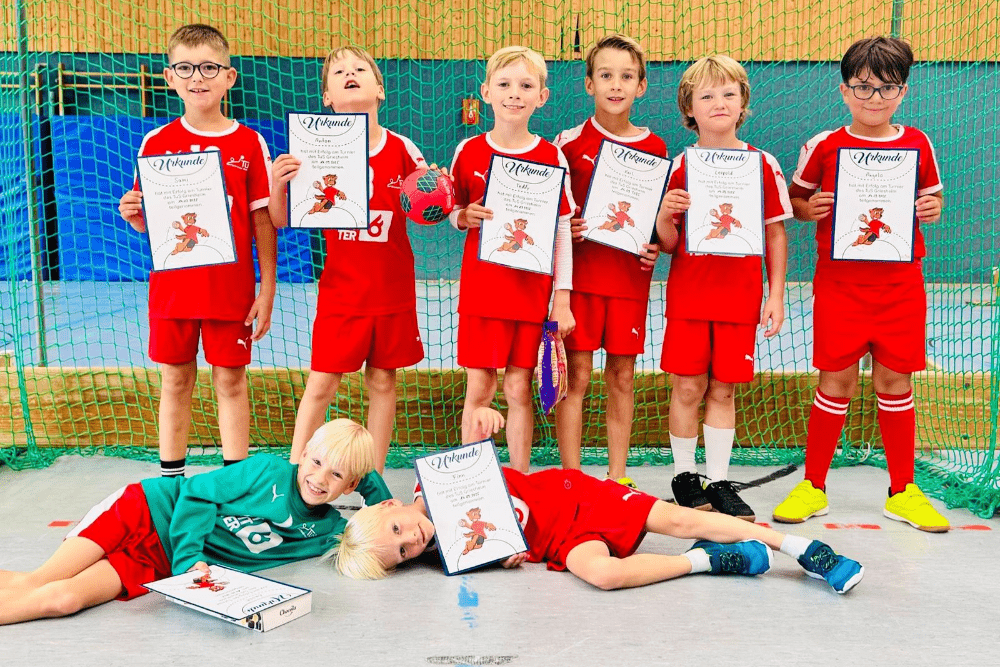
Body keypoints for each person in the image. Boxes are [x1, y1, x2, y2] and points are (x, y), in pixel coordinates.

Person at [332, 408, 863, 595]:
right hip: (564, 541)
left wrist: (485, 425)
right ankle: (712, 561)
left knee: (678, 519)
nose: (411, 541)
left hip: (574, 497)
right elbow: (508, 550)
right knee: (603, 576)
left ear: (385, 507)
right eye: (402, 555)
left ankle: (800, 546)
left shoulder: (436, 480)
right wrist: (506, 559)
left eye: (398, 531)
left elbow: (479, 447)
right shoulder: (446, 556)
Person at [772, 37, 948, 532]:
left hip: (900, 285)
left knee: (896, 382)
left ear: (903, 91)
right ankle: (813, 484)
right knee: (836, 381)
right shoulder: (823, 145)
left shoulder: (918, 143)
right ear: (844, 91)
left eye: (886, 88)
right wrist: (811, 209)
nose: (875, 98)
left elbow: (931, 202)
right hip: (840, 285)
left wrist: (931, 210)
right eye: (863, 87)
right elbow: (795, 201)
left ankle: (903, 490)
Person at [0, 419, 391, 625]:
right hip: (149, 511)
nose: (320, 479)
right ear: (303, 453)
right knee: (39, 581)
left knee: (62, 599)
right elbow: (196, 493)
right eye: (316, 462)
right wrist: (189, 559)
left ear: (352, 484)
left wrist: (381, 497)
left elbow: (384, 525)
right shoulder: (266, 470)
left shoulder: (328, 531)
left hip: (159, 561)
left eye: (337, 476)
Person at [117, 24, 277, 477]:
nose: (197, 77)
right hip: (174, 290)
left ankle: (234, 483)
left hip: (231, 289)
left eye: (209, 67)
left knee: (230, 379)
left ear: (229, 76)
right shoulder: (156, 143)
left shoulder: (249, 142)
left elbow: (263, 221)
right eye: (185, 67)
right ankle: (171, 481)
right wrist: (135, 216)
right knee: (175, 380)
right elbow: (155, 226)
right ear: (170, 77)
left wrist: (267, 290)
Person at [269, 46, 428, 472]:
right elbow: (282, 220)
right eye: (339, 72)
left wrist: (437, 192)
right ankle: (293, 472)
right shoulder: (313, 152)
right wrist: (276, 183)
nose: (350, 73)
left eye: (361, 68)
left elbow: (430, 213)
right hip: (342, 291)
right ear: (327, 97)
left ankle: (372, 477)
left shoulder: (402, 147)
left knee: (382, 381)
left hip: (392, 289)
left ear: (380, 89)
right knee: (321, 383)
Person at [654, 55, 790, 520]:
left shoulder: (762, 164)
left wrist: (775, 294)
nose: (719, 102)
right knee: (687, 388)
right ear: (688, 108)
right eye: (707, 95)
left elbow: (775, 232)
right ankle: (684, 475)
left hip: (739, 300)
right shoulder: (678, 166)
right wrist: (662, 215)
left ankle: (718, 480)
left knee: (725, 390)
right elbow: (669, 243)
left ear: (743, 103)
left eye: (728, 93)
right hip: (690, 298)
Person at [450, 46, 575, 472]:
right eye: (504, 85)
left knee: (520, 388)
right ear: (486, 92)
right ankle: (471, 476)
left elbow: (561, 230)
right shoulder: (468, 150)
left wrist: (562, 298)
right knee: (480, 387)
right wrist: (463, 215)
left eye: (526, 86)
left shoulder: (552, 156)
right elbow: (454, 212)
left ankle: (519, 479)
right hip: (482, 295)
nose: (514, 94)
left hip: (530, 295)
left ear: (542, 96)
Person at [552, 34, 667, 488]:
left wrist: (656, 240)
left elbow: (655, 217)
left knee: (622, 376)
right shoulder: (567, 143)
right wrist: (570, 226)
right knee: (577, 376)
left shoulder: (656, 148)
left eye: (626, 76)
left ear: (641, 86)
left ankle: (619, 476)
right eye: (605, 75)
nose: (615, 85)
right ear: (588, 84)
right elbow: (554, 215)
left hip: (629, 280)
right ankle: (572, 477)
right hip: (581, 279)